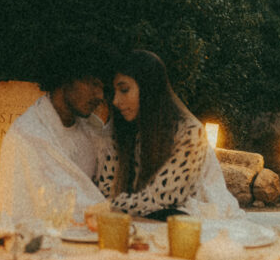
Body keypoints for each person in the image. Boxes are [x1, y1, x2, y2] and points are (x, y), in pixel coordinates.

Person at [94, 49, 242, 219]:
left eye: (125, 90)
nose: (116, 101)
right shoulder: (122, 133)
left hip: (201, 224)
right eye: (114, 92)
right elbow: (106, 193)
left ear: (148, 89)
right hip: (140, 226)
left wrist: (107, 208)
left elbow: (162, 200)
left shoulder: (189, 134)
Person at [0, 38, 115, 222]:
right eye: (92, 83)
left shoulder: (91, 130)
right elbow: (27, 207)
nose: (99, 96)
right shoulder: (27, 134)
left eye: (102, 87)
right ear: (66, 77)